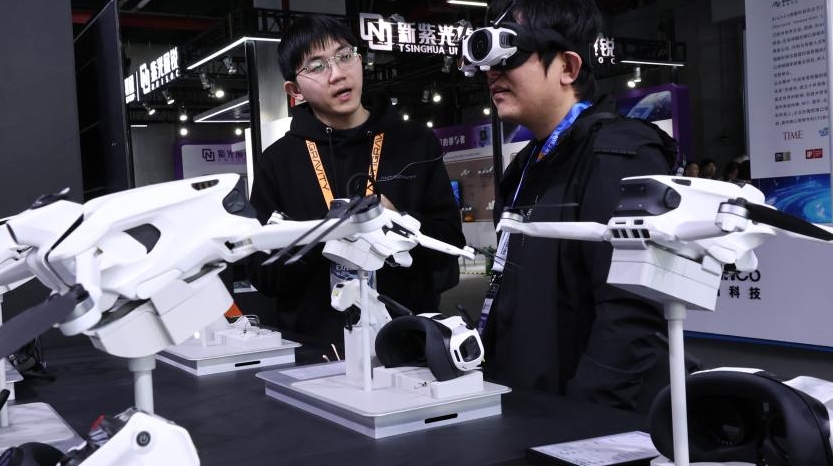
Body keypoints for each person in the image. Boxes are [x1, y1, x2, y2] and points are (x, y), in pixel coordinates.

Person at [478, 0, 680, 411]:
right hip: (525, 401)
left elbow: (632, 311)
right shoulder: (525, 167)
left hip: (584, 416)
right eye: (488, 62)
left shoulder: (621, 154)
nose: (492, 72)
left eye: (510, 53)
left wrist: (584, 414)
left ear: (568, 67)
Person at [247, 15, 465, 350]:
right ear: (295, 90)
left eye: (344, 56)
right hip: (316, 351)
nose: (337, 73)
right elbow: (261, 274)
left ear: (360, 60)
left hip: (408, 345)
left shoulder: (415, 142)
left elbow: (449, 250)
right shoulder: (278, 162)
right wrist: (321, 237)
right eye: (317, 66)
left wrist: (400, 224)